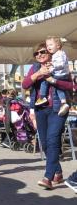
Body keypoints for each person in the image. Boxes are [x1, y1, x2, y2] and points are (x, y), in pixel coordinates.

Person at [22, 42, 73, 189]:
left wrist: (53, 80)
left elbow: (71, 86)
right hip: (40, 109)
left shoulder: (59, 65)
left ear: (50, 52)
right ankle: (58, 172)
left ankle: (48, 177)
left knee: (52, 140)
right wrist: (38, 74)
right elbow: (25, 84)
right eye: (36, 53)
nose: (39, 55)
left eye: (42, 52)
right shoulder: (35, 67)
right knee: (44, 143)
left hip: (58, 109)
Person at [35, 36, 71, 116]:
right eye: (47, 45)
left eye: (50, 45)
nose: (48, 47)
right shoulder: (58, 54)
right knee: (59, 89)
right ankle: (63, 102)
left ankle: (42, 97)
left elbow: (60, 64)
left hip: (60, 75)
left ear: (58, 46)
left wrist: (51, 67)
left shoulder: (59, 54)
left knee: (45, 81)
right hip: (61, 74)